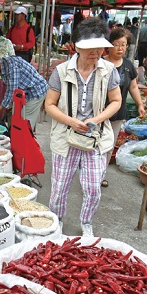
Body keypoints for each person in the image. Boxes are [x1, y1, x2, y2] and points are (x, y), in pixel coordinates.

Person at [44, 17, 121, 237]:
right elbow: (49, 105)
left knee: (93, 187)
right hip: (65, 137)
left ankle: (86, 222)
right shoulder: (61, 71)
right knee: (59, 187)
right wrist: (71, 121)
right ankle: (56, 221)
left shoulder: (108, 70)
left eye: (99, 47)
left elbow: (116, 101)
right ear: (76, 46)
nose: (95, 52)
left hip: (96, 138)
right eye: (90, 48)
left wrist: (97, 119)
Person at [101, 27, 145, 187]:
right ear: (109, 45)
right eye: (116, 44)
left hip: (117, 113)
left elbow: (133, 87)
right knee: (93, 143)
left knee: (108, 145)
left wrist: (140, 104)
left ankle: (101, 175)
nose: (120, 48)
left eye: (123, 45)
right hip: (98, 111)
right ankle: (89, 172)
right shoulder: (100, 62)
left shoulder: (128, 65)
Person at [0, 52, 48, 130]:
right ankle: (15, 137)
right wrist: (7, 105)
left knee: (25, 120)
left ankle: (25, 139)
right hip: (25, 92)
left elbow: (12, 91)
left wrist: (0, 108)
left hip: (36, 91)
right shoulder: (3, 68)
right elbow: (10, 89)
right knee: (15, 115)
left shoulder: (11, 67)